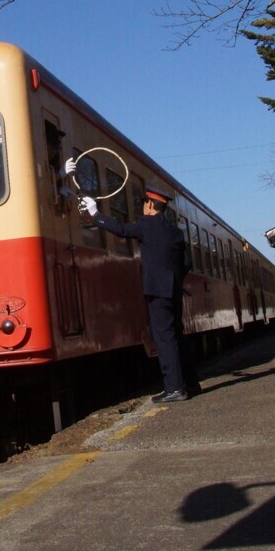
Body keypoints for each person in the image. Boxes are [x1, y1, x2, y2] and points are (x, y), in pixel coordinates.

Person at [70, 169, 198, 403]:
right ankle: (191, 383)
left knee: (164, 339)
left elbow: (120, 229)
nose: (142, 207)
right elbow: (187, 263)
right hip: (174, 290)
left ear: (150, 204)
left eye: (144, 203)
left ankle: (174, 389)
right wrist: (173, 279)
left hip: (157, 291)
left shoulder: (146, 226)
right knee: (178, 336)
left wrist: (94, 213)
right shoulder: (175, 232)